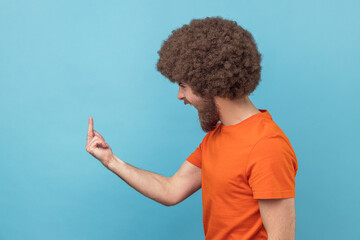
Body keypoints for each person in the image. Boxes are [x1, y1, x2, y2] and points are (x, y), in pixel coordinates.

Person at [86, 16, 298, 240]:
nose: (180, 96)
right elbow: (171, 189)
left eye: (183, 86)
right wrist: (111, 161)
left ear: (209, 82)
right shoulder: (218, 137)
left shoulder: (267, 147)